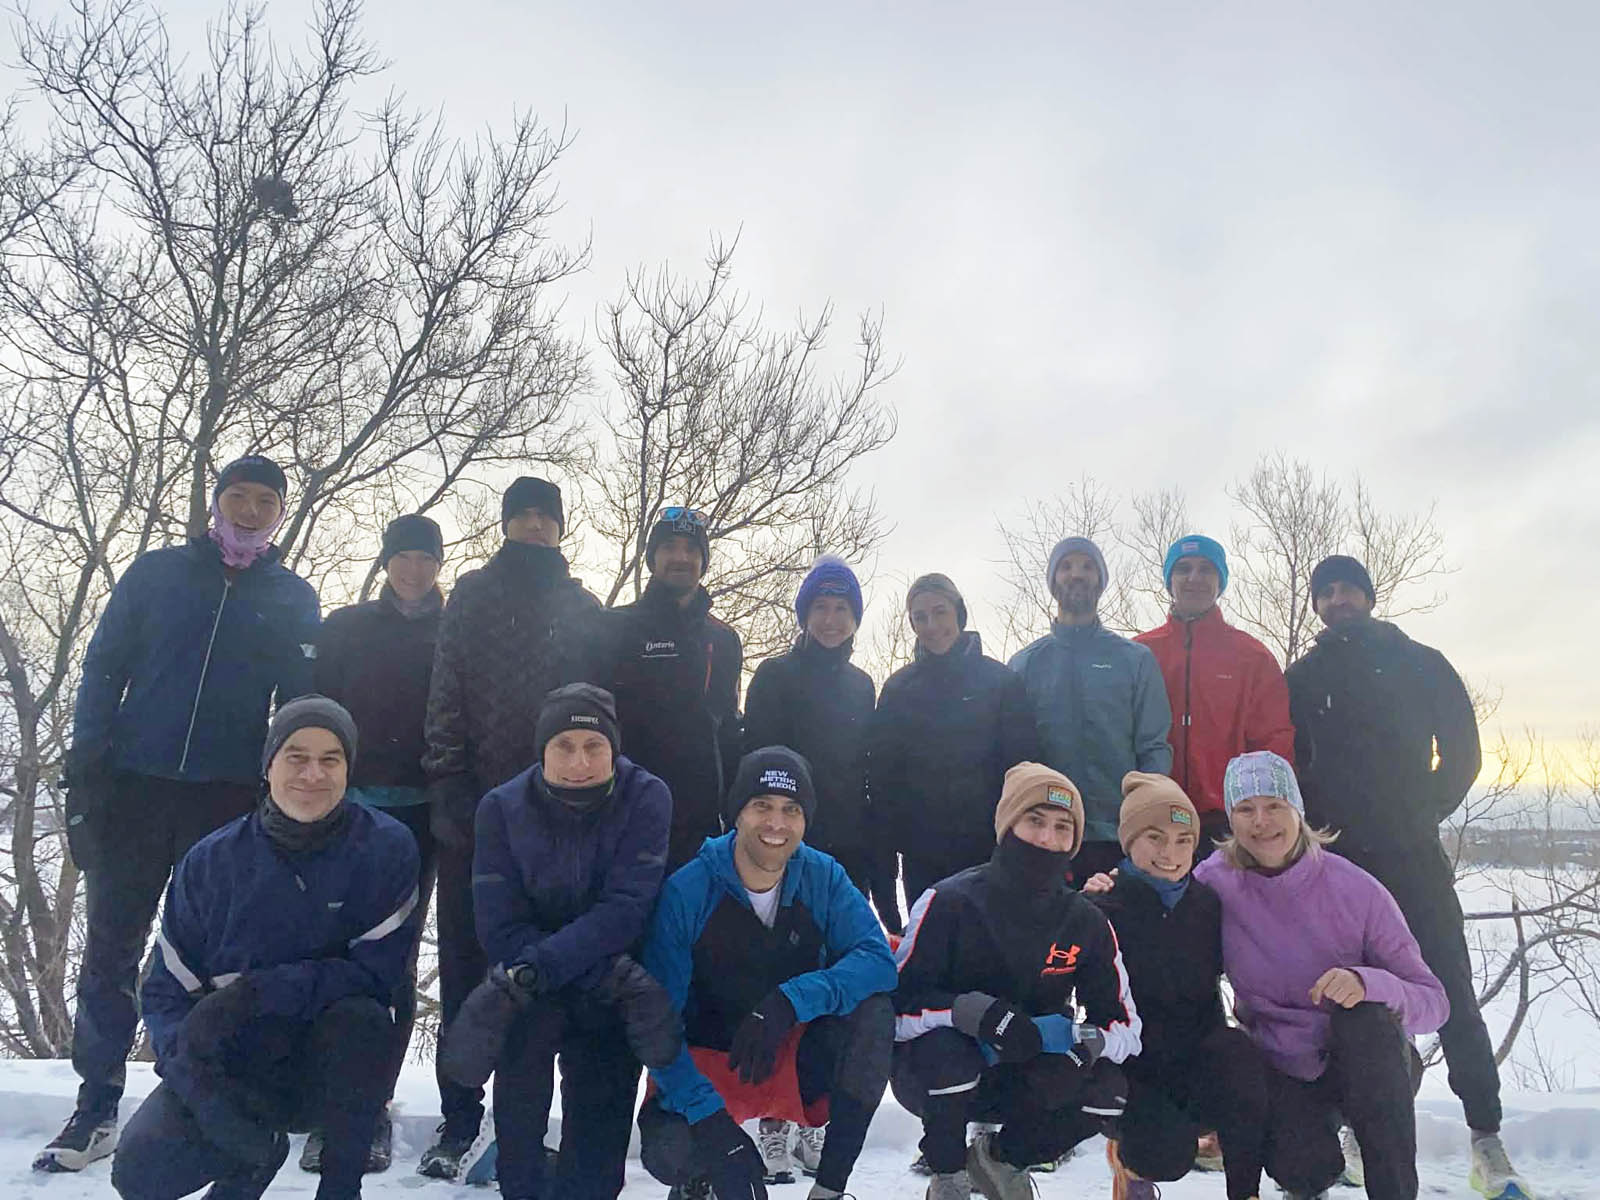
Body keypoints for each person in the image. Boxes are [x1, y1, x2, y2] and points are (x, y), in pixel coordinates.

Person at [39, 455, 320, 1173]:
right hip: (134, 790)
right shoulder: (157, 573)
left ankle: (199, 1099)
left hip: (226, 799)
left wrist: (281, 797)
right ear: (215, 502)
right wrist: (86, 772)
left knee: (213, 962)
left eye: (265, 501)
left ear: (280, 513)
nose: (250, 511)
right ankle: (96, 1105)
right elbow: (103, 668)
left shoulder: (292, 597)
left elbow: (297, 706)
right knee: (111, 952)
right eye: (238, 496)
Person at [110, 696, 421, 1200]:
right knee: (141, 1172)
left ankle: (341, 1189)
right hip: (237, 1060)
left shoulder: (387, 848)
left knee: (363, 1020)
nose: (312, 774)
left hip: (328, 1060)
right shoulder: (209, 862)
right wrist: (195, 1080)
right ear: (268, 765)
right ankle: (252, 1159)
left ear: (348, 770)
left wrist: (253, 992)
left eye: (330, 759)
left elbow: (377, 974)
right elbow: (167, 991)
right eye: (296, 757)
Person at [1286, 554, 1528, 1200]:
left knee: (1451, 990)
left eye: (1348, 589)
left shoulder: (1421, 663)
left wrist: (1422, 812)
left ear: (1369, 596)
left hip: (1413, 859)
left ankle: (1486, 1139)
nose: (1338, 600)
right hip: (1339, 868)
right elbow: (1289, 762)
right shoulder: (1302, 678)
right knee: (1346, 1000)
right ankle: (1355, 1131)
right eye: (1326, 592)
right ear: (1317, 606)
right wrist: (1311, 833)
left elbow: (1464, 751)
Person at [419, 476, 599, 1177]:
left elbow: (597, 713)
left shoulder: (581, 606)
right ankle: (458, 1115)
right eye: (522, 515)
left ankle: (527, 1123)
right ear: (505, 524)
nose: (533, 526)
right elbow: (445, 693)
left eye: (545, 517)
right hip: (474, 811)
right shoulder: (472, 595)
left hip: (559, 818)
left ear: (559, 527)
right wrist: (447, 784)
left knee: (545, 972)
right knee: (467, 970)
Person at [638, 746, 897, 1200]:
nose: (776, 823)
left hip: (790, 1055)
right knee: (671, 1152)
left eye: (791, 809)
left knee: (873, 1015)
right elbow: (659, 1025)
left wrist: (791, 1000)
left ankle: (830, 1188)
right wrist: (713, 1126)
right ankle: (700, 1184)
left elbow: (877, 960)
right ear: (737, 813)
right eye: (762, 805)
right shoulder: (687, 890)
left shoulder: (823, 876)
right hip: (708, 1063)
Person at [1194, 751, 1448, 1200]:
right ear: (1231, 819)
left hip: (1367, 1062)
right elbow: (1164, 921)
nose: (1261, 821)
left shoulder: (1356, 889)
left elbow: (1434, 1003)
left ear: (1298, 810)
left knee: (1365, 1019)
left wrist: (1366, 983)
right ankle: (1308, 1172)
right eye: (1246, 809)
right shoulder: (1213, 883)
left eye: (1274, 805)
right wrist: (1117, 887)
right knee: (1304, 1168)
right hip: (1281, 1064)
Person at [456, 683, 672, 1199]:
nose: (580, 762)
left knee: (595, 1170)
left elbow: (626, 910)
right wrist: (549, 971)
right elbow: (497, 927)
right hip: (537, 983)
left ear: (613, 749)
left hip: (610, 983)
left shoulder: (647, 797)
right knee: (520, 1130)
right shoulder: (500, 808)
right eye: (565, 746)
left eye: (594, 746)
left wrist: (556, 966)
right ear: (542, 750)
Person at [892, 762, 1141, 1200]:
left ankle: (1002, 1160)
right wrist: (968, 1012)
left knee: (1107, 1092)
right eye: (1035, 821)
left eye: (1062, 827)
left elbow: (1124, 1026)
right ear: (1008, 825)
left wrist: (1086, 1045)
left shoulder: (1084, 920)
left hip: (1029, 1068)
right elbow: (893, 1009)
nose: (1047, 838)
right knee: (947, 1056)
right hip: (941, 1070)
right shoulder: (949, 901)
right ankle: (948, 1174)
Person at [310, 513, 445, 1172]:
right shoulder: (346, 628)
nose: (413, 570)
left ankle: (370, 1106)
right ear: (386, 562)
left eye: (425, 559)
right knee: (326, 949)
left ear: (439, 566)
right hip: (342, 812)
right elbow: (311, 712)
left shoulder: (456, 633)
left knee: (393, 959)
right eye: (403, 557)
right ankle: (322, 1100)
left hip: (420, 817)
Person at [740, 555, 878, 1184]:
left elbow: (867, 777)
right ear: (803, 615)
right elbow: (754, 766)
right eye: (820, 606)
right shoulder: (774, 676)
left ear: (855, 618)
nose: (830, 618)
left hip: (842, 857)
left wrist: (870, 861)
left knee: (831, 985)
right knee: (777, 979)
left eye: (842, 608)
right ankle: (773, 1118)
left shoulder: (862, 687)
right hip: (781, 849)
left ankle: (812, 1115)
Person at [1084, 772, 1268, 1200]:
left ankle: (1246, 1192)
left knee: (1241, 1056)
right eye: (1155, 838)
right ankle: (1130, 1162)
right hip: (1131, 1068)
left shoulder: (1206, 903)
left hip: (1195, 1056)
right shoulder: (1101, 905)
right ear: (1129, 841)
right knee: (1166, 1155)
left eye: (1184, 840)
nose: (1171, 853)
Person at [871, 572, 1038, 932]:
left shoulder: (1001, 683)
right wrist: (884, 878)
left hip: (989, 854)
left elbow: (1023, 774)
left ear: (959, 613)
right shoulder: (899, 689)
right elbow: (883, 785)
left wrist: (1022, 852)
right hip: (923, 857)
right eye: (920, 617)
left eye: (940, 612)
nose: (932, 626)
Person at [1008, 536, 1173, 879]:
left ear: (1100, 580)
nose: (1077, 574)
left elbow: (1154, 747)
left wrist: (1146, 820)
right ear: (1053, 581)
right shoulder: (1025, 664)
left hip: (1118, 835)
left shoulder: (1135, 660)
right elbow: (1014, 758)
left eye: (1087, 566)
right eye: (1066, 567)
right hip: (1048, 836)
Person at [591, 506, 743, 871]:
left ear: (703, 561)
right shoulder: (613, 627)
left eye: (691, 549)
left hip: (700, 827)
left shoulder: (723, 638)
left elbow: (728, 732)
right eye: (669, 547)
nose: (681, 557)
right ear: (652, 557)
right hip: (624, 816)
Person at [1134, 534, 1294, 855]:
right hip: (1153, 817)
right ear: (1169, 581)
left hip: (1228, 822)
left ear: (1220, 582)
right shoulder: (1139, 653)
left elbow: (1274, 741)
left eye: (1206, 569)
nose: (1194, 578)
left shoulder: (1252, 657)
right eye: (1183, 569)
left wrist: (1267, 814)